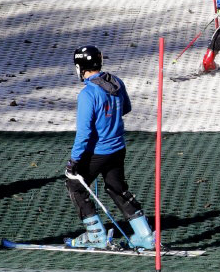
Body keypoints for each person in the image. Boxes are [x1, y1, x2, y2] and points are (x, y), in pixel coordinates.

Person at [64, 46, 154, 250]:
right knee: (116, 187)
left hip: (98, 152)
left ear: (81, 67)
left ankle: (95, 235)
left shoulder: (87, 94)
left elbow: (84, 133)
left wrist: (74, 160)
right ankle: (144, 234)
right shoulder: (116, 82)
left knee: (75, 186)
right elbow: (126, 108)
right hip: (118, 148)